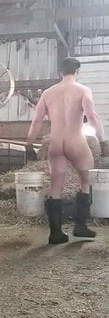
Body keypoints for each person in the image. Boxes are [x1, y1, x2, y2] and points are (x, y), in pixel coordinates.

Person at [26, 57, 109, 245]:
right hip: (76, 141)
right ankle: (80, 227)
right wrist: (103, 141)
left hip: (56, 143)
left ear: (60, 72)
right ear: (77, 72)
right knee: (85, 183)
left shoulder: (48, 93)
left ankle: (55, 233)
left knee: (55, 187)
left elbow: (37, 120)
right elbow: (92, 116)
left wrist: (29, 144)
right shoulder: (83, 90)